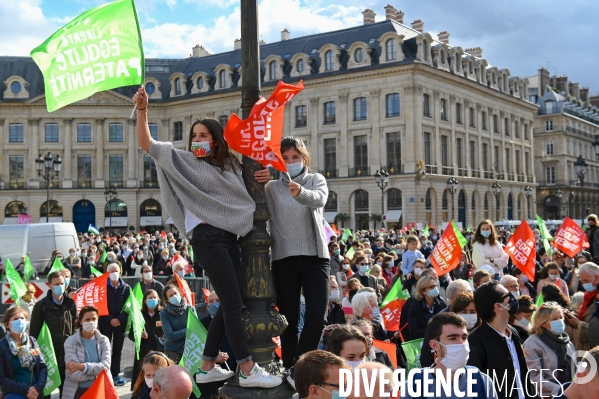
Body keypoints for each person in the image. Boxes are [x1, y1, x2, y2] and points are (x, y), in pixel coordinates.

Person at [135, 88, 281, 387]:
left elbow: (249, 187)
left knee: (233, 304)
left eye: (203, 135)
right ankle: (248, 369)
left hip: (228, 238)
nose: (197, 140)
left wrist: (266, 177)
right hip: (207, 238)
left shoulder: (229, 166)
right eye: (194, 136)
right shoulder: (184, 161)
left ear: (215, 139)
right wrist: (142, 111)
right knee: (232, 305)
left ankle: (205, 365)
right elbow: (146, 143)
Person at [254, 136, 330, 383]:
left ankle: (300, 365)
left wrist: (300, 192)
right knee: (288, 319)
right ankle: (289, 367)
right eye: (285, 158)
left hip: (315, 257)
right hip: (284, 258)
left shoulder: (315, 180)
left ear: (304, 158)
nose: (290, 162)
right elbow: (253, 202)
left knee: (317, 317)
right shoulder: (273, 187)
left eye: (295, 157)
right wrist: (260, 178)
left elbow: (318, 198)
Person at [401, 312, 498, 399]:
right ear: (435, 345)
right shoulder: (415, 386)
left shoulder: (482, 382)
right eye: (453, 338)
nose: (461, 344)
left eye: (464, 338)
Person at [467, 281, 536, 399]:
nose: (513, 298)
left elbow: (523, 376)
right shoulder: (475, 342)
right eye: (508, 296)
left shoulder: (513, 332)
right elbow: (476, 389)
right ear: (498, 306)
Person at [29, 271, 77, 398]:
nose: (60, 286)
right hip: (47, 357)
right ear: (49, 285)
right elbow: (33, 333)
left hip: (66, 356)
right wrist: (36, 355)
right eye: (56, 284)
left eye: (62, 283)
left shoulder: (71, 303)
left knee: (66, 392)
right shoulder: (41, 306)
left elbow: (75, 326)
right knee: (45, 392)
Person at [523, 301, 576, 397]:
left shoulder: (566, 341)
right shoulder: (533, 344)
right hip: (548, 396)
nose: (559, 321)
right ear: (543, 322)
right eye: (554, 319)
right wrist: (560, 389)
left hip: (570, 393)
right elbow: (534, 378)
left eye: (561, 317)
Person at [63, 306, 112, 399]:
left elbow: (105, 367)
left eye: (94, 319)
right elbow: (74, 374)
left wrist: (82, 366)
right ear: (81, 321)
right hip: (78, 392)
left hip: (101, 390)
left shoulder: (104, 340)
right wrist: (96, 375)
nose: (91, 322)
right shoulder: (70, 342)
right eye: (87, 319)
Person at [0, 307, 47, 399]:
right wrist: (28, 389)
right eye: (15, 319)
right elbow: (1, 378)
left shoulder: (31, 341)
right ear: (7, 324)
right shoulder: (2, 345)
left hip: (36, 394)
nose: (20, 321)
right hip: (14, 394)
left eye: (22, 318)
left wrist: (37, 388)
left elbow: (42, 366)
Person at [98, 263, 131, 386]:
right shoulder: (102, 287)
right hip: (106, 324)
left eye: (116, 270)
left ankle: (115, 374)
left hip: (120, 325)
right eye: (111, 271)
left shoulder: (126, 287)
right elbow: (99, 306)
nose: (114, 273)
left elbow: (128, 306)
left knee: (117, 350)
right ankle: (104, 374)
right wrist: (110, 319)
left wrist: (120, 319)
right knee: (104, 350)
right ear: (107, 273)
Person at [129, 290, 165, 391]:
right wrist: (139, 335)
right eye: (150, 298)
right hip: (144, 350)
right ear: (145, 300)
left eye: (155, 297)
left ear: (158, 299)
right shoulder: (139, 315)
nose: (153, 300)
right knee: (143, 374)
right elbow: (131, 334)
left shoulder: (163, 313)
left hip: (160, 350)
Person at [565, 262, 599, 351]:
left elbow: (595, 330)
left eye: (586, 281)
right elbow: (586, 318)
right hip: (585, 349)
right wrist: (572, 317)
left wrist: (579, 324)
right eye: (582, 281)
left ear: (597, 277)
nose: (584, 284)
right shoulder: (587, 297)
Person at [199, 291, 235, 371]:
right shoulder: (201, 324)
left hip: (234, 372)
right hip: (212, 374)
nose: (214, 304)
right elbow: (196, 349)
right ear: (207, 306)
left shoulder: (234, 322)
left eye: (218, 301)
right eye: (211, 301)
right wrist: (213, 358)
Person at [160, 285, 194, 365]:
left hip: (190, 348)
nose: (174, 296)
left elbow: (195, 330)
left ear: (179, 293)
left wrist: (189, 330)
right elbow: (170, 335)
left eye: (175, 293)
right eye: (171, 296)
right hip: (173, 350)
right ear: (167, 300)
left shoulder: (190, 309)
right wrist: (188, 330)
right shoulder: (164, 313)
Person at [408, 275, 446, 340]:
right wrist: (434, 330)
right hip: (424, 344)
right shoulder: (415, 308)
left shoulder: (442, 305)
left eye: (435, 286)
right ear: (423, 291)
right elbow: (414, 333)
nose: (435, 289)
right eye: (431, 287)